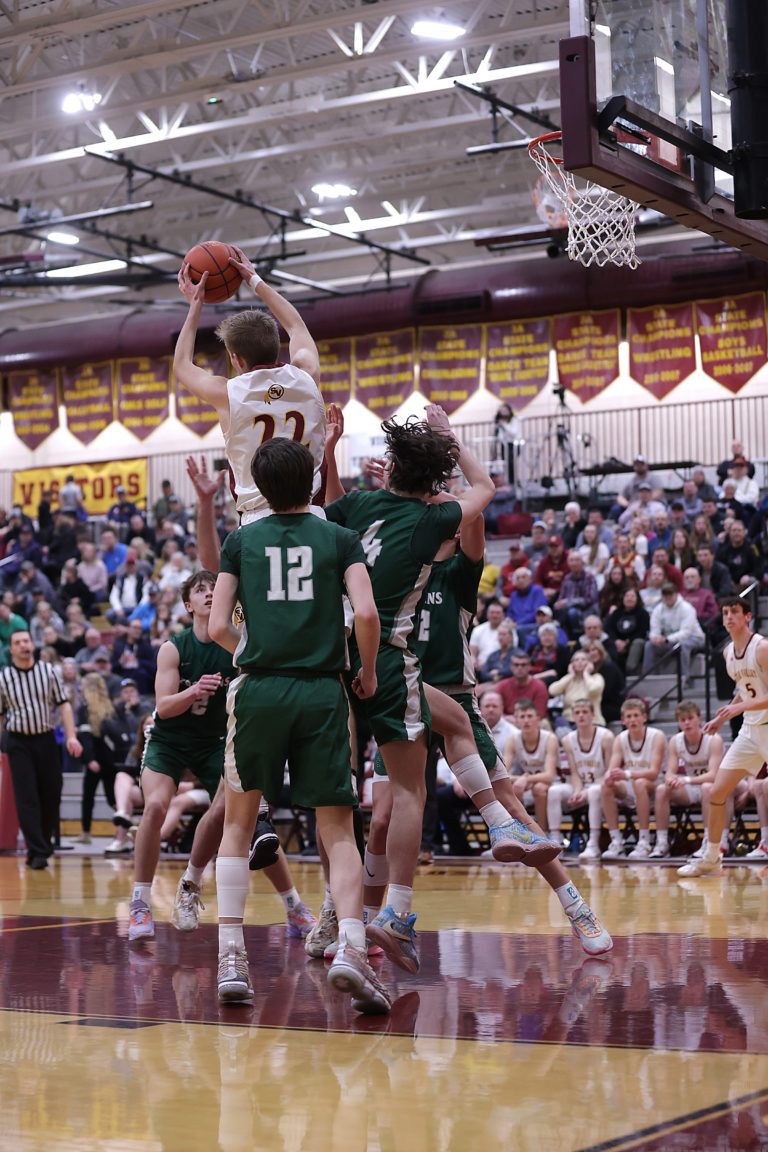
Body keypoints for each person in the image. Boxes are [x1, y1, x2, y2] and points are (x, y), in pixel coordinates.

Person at [325, 406, 529, 975]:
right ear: (433, 478)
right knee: (410, 791)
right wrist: (450, 438)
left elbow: (332, 509)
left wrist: (329, 451)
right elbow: (486, 488)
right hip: (385, 657)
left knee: (341, 803)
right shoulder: (432, 519)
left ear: (391, 469)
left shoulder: (359, 505)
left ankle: (340, 925)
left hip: (329, 658)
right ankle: (396, 912)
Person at [208, 438, 391, 1014]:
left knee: (238, 823)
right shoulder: (338, 537)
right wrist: (366, 670)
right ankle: (352, 949)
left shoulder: (240, 540)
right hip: (321, 690)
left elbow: (216, 626)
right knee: (337, 829)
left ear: (260, 490)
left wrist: (254, 649)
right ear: (313, 482)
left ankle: (231, 957)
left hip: (258, 689)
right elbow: (367, 613)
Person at [175, 248, 326, 521]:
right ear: (276, 346)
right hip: (311, 515)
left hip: (258, 519)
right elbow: (296, 326)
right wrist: (255, 280)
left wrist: (195, 304)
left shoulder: (228, 394)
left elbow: (182, 365)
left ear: (236, 359)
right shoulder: (306, 376)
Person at [127, 570, 238, 942]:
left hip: (213, 741)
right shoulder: (173, 648)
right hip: (169, 740)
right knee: (156, 806)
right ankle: (141, 903)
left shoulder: (235, 645)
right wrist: (194, 691)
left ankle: (292, 905)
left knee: (246, 815)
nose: (209, 594)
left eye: (214, 588)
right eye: (200, 590)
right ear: (188, 605)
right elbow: (162, 707)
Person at [679, 599, 768, 877]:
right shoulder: (728, 652)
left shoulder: (762, 648)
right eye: (725, 613)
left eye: (735, 612)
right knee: (717, 792)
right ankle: (711, 856)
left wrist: (739, 709)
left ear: (748, 616)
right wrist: (722, 718)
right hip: (750, 731)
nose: (729, 617)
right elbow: (746, 688)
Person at [0, 629, 82, 868]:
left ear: (32, 644)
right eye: (18, 642)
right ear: (11, 649)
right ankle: (36, 852)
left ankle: (42, 845)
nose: (23, 645)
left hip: (46, 739)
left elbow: (64, 705)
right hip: (18, 742)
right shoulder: (4, 678)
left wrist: (71, 736)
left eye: (26, 641)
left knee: (52, 793)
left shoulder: (49, 671)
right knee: (27, 797)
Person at [651, 700, 723, 859]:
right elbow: (669, 771)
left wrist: (686, 780)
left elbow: (714, 775)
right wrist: (671, 779)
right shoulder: (675, 741)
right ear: (678, 723)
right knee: (662, 789)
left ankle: (708, 841)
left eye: (690, 718)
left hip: (712, 787)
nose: (687, 723)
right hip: (692, 789)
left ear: (699, 719)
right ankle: (661, 842)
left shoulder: (714, 739)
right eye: (682, 720)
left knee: (706, 787)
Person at [547, 699, 614, 857]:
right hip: (581, 786)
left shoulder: (606, 737)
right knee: (553, 791)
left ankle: (593, 843)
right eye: (577, 713)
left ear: (593, 715)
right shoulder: (567, 740)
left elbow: (609, 772)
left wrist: (586, 791)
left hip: (602, 785)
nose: (581, 716)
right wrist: (577, 791)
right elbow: (575, 773)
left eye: (585, 712)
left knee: (594, 792)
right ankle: (555, 842)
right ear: (573, 717)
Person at [601, 698, 666, 860]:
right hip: (632, 785)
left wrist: (627, 774)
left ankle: (644, 842)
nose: (632, 720)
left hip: (655, 786)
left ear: (644, 717)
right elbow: (612, 769)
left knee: (640, 783)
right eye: (628, 717)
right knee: (606, 786)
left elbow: (654, 773)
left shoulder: (657, 736)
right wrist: (609, 777)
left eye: (636, 715)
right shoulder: (620, 738)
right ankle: (616, 842)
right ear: (623, 720)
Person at [75, 672, 131, 844]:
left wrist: (89, 759)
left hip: (95, 760)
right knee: (112, 798)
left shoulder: (85, 709)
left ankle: (86, 833)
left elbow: (86, 738)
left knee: (88, 797)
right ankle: (129, 822)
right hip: (111, 760)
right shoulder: (110, 708)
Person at [504, 702, 558, 834]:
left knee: (539, 788)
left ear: (538, 719)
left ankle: (543, 834)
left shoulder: (550, 738)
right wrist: (522, 779)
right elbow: (503, 774)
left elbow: (549, 776)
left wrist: (525, 779)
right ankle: (520, 833)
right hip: (530, 783)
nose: (526, 720)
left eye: (529, 716)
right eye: (522, 717)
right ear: (516, 721)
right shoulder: (512, 739)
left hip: (554, 784)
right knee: (514, 788)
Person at [640, 582, 705, 682]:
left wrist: (666, 639)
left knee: (682, 645)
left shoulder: (687, 608)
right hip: (670, 639)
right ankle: (648, 679)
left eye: (670, 594)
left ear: (676, 594)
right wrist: (655, 638)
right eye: (665, 594)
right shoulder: (658, 609)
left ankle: (684, 679)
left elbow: (686, 632)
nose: (668, 597)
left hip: (695, 638)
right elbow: (654, 629)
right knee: (649, 645)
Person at [548, 649, 606, 730]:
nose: (579, 662)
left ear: (589, 663)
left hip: (593, 722)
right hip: (569, 722)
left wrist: (586, 673)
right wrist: (571, 675)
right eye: (576, 660)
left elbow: (594, 689)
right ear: (571, 664)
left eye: (583, 659)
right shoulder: (569, 680)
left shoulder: (596, 677)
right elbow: (552, 691)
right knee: (559, 722)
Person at [554, 550, 599, 639]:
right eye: (571, 560)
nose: (574, 563)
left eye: (577, 560)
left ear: (582, 563)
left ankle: (576, 637)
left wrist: (567, 602)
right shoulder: (567, 578)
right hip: (568, 610)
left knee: (572, 612)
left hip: (586, 611)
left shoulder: (589, 577)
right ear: (568, 563)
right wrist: (558, 603)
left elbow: (589, 599)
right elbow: (561, 597)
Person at [604, 586, 650, 674]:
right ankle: (610, 669)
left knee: (638, 642)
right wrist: (616, 641)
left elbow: (642, 632)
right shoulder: (616, 613)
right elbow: (609, 630)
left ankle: (629, 670)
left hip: (633, 643)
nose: (629, 598)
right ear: (623, 598)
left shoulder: (643, 613)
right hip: (617, 643)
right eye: (627, 596)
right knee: (607, 641)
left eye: (632, 596)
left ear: (637, 599)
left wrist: (626, 643)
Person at [496, 650, 550, 719]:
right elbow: (496, 711)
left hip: (532, 721)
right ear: (511, 667)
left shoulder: (539, 686)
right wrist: (507, 719)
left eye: (523, 665)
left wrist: (518, 720)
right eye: (516, 665)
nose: (520, 668)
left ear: (529, 667)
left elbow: (540, 714)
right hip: (507, 721)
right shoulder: (502, 685)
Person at [505, 566, 548, 646]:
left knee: (518, 630)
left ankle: (528, 651)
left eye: (524, 577)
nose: (521, 580)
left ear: (530, 579)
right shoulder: (513, 595)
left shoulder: (537, 591)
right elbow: (510, 613)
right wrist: (508, 620)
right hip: (516, 625)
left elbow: (537, 613)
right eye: (518, 578)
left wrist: (517, 623)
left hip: (534, 624)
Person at [469, 600, 506, 670]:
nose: (494, 615)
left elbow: (508, 653)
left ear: (503, 615)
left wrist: (486, 664)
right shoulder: (478, 629)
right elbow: (472, 652)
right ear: (487, 614)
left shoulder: (509, 630)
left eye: (498, 613)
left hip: (500, 667)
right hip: (479, 667)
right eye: (492, 612)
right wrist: (474, 662)